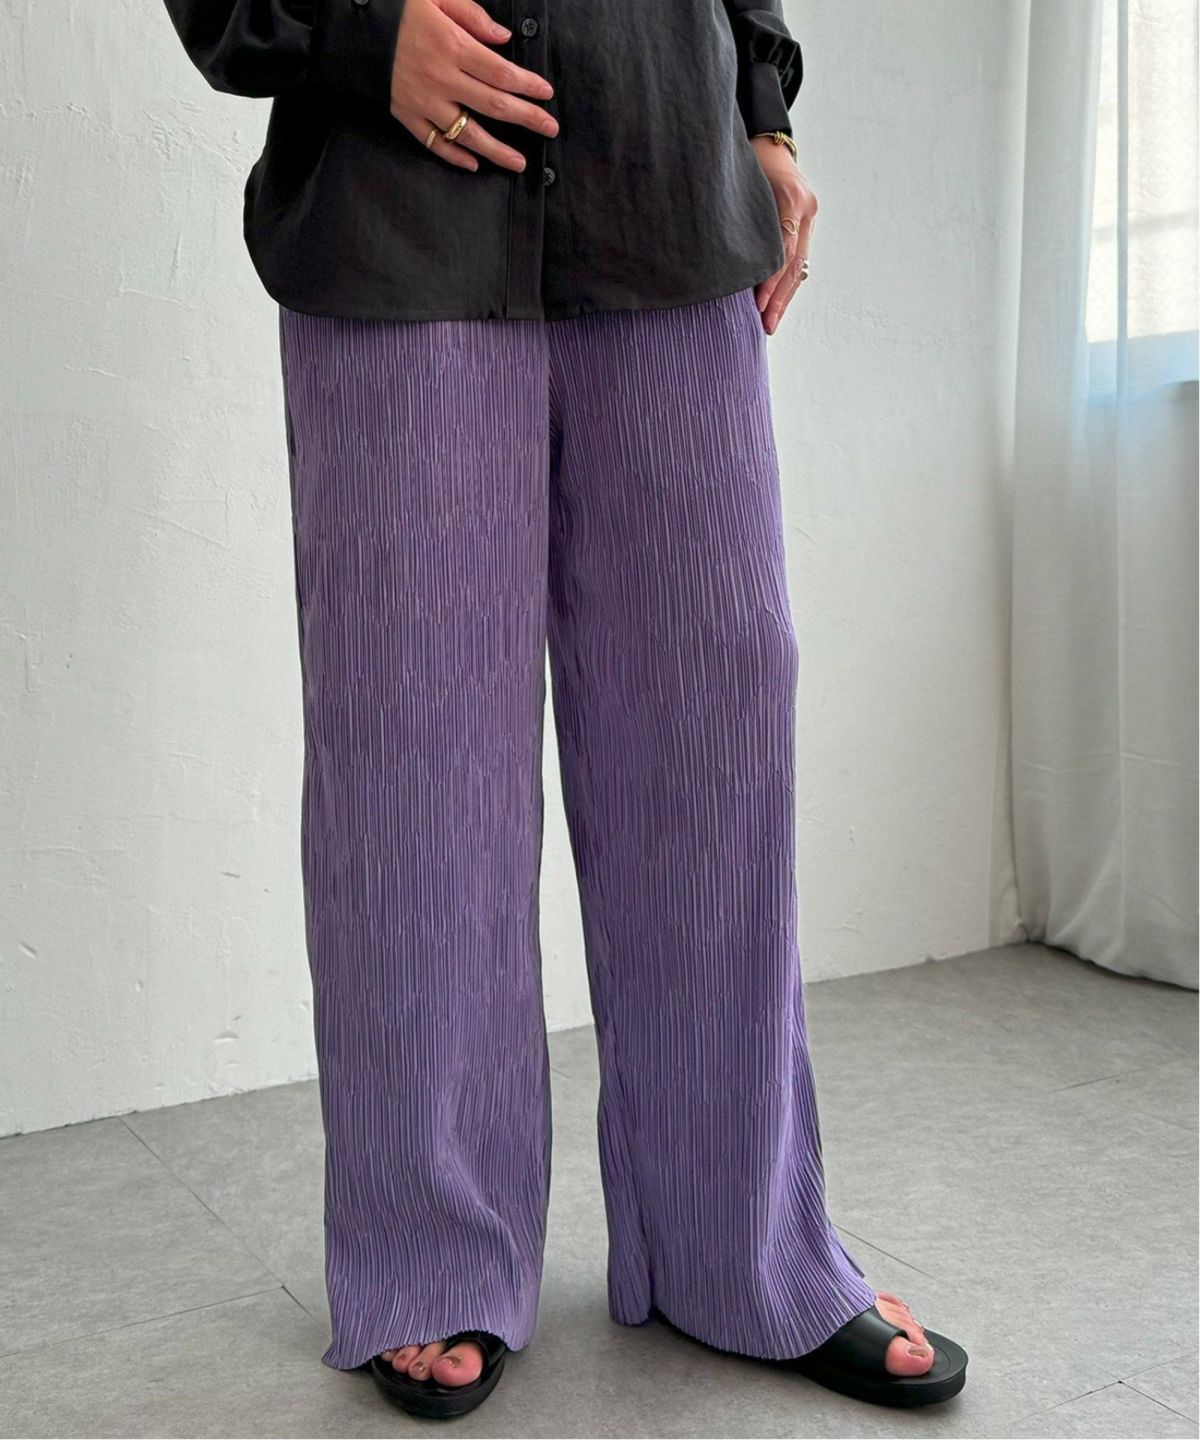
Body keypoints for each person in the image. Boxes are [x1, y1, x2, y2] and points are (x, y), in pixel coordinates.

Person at [161, 0, 968, 1419]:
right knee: (418, 758)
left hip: (670, 190)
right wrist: (359, 35)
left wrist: (762, 109)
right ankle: (429, 1253)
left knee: (717, 729)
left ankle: (740, 1244)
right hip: (398, 215)